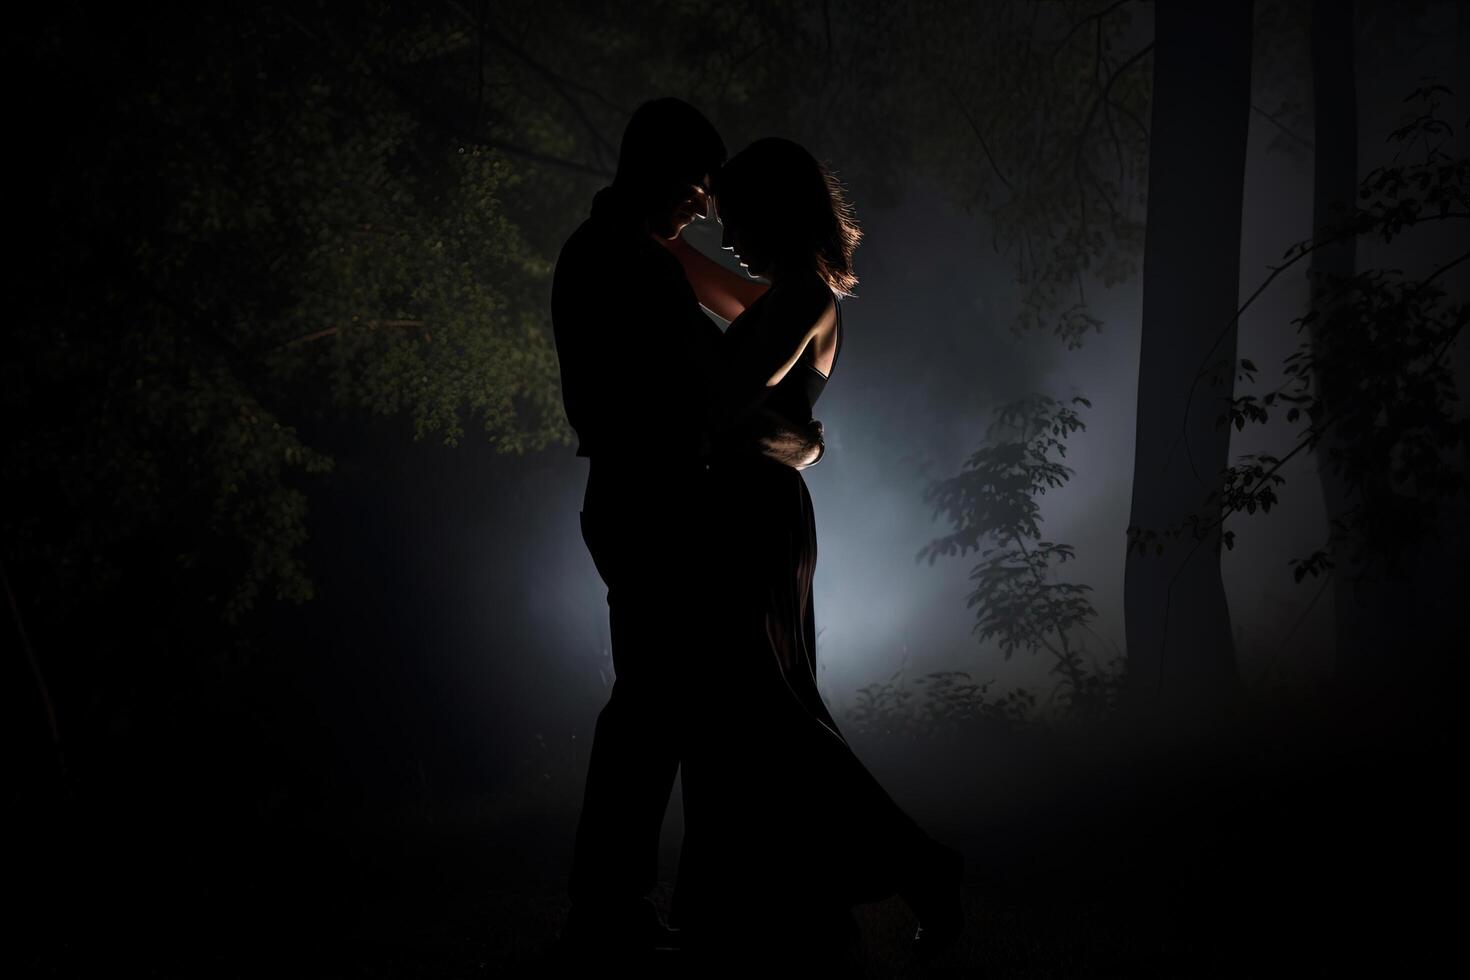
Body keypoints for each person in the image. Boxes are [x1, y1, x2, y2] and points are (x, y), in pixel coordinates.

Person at [659, 137, 965, 963]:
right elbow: (695, 278)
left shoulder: (799, 300)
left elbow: (722, 395)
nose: (729, 237)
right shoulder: (783, 296)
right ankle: (778, 902)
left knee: (768, 706)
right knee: (753, 706)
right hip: (753, 505)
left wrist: (789, 440)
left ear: (775, 216)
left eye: (738, 219)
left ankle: (922, 868)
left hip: (753, 514)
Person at [549, 100, 825, 959]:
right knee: (654, 703)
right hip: (649, 496)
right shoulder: (624, 262)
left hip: (647, 493)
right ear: (656, 172)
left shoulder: (621, 254)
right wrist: (800, 437)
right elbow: (708, 386)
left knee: (660, 699)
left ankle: (623, 900)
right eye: (695, 188)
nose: (703, 208)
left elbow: (714, 370)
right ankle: (613, 903)